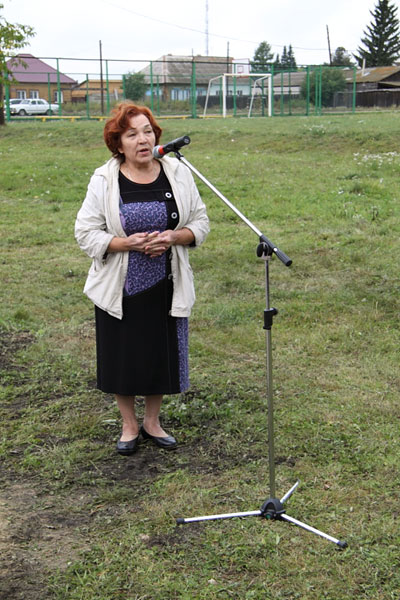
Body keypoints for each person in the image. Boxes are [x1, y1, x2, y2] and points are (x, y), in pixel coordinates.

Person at [75, 102, 209, 456]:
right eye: (132, 134)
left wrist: (173, 237)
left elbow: (200, 222)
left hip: (167, 280)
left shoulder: (177, 173)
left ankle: (152, 421)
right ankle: (129, 425)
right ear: (118, 144)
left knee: (158, 352)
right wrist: (126, 244)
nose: (143, 140)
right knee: (122, 355)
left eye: (147, 131)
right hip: (119, 285)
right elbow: (85, 232)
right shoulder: (104, 179)